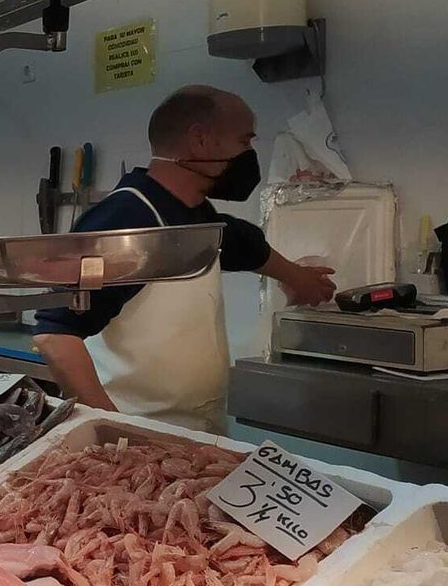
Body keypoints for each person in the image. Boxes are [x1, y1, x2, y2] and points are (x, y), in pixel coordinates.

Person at [33, 85, 335, 434]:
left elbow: (243, 244)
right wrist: (111, 427)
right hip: (137, 431)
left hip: (200, 428)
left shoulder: (194, 214)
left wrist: (298, 277)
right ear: (200, 140)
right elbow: (56, 334)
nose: (249, 154)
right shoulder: (125, 220)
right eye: (244, 141)